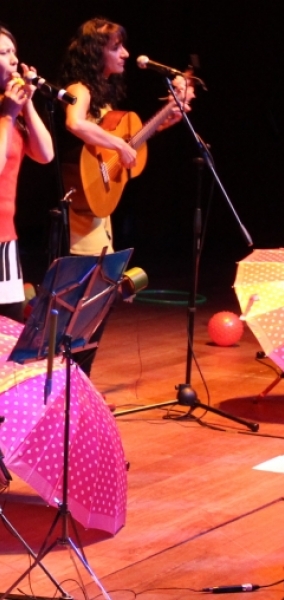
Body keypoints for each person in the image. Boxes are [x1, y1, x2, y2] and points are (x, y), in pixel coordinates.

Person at [58, 17, 190, 375]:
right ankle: (68, 388)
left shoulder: (108, 100)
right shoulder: (79, 89)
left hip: (101, 213)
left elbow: (125, 150)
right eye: (117, 47)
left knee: (97, 306)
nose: (126, 54)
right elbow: (75, 123)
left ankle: (81, 387)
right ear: (94, 51)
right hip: (80, 216)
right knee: (81, 308)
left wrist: (166, 118)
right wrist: (118, 142)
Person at [0, 25, 54, 322]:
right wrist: (8, 115)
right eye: (3, 52)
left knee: (9, 324)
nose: (12, 59)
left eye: (13, 51)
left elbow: (45, 155)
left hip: (4, 235)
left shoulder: (12, 108)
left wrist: (26, 104)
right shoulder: (5, 112)